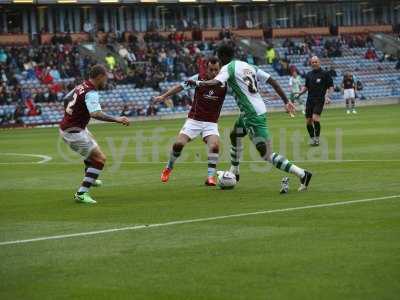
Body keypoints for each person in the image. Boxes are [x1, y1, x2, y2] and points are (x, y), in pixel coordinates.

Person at [187, 44, 312, 192]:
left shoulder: (227, 68)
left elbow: (216, 82)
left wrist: (197, 83)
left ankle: (302, 174)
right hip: (254, 110)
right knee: (235, 135)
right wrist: (286, 101)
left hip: (252, 114)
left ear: (222, 58)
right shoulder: (247, 65)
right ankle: (235, 170)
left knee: (265, 153)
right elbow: (272, 80)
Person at [59, 65, 130, 204]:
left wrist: (69, 115)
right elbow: (95, 114)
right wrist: (117, 119)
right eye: (105, 78)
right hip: (73, 132)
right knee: (100, 159)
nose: (106, 81)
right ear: (99, 77)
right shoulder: (91, 92)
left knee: (93, 145)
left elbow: (66, 99)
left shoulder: (81, 85)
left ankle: (90, 175)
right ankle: (81, 193)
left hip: (72, 127)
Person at [154, 58, 227, 186]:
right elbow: (180, 87)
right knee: (178, 145)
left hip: (211, 123)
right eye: (211, 70)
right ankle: (168, 168)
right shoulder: (198, 78)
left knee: (214, 146)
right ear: (206, 69)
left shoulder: (224, 82)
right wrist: (164, 96)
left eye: (216, 70)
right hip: (194, 120)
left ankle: (210, 177)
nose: (214, 72)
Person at [297, 56, 334, 146]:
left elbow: (331, 86)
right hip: (309, 100)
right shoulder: (309, 74)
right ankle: (312, 138)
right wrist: (299, 93)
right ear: (311, 63)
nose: (314, 63)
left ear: (319, 62)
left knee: (315, 118)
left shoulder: (325, 74)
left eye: (316, 62)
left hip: (319, 100)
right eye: (312, 62)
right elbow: (306, 87)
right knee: (308, 121)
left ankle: (317, 139)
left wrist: (328, 97)